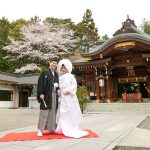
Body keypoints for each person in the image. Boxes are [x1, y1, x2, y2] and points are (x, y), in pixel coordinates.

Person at [55, 59, 89, 138]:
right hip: (62, 97)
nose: (63, 69)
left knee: (69, 112)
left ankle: (70, 128)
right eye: (62, 68)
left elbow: (74, 85)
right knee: (62, 112)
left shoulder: (71, 76)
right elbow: (59, 88)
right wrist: (58, 92)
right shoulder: (60, 77)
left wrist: (69, 91)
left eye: (64, 68)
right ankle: (61, 128)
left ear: (67, 68)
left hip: (69, 97)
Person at [36, 58, 59, 136]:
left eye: (55, 63)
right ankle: (40, 130)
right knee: (44, 112)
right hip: (46, 95)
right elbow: (40, 83)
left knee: (53, 112)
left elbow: (57, 85)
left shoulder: (56, 74)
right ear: (49, 63)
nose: (54, 65)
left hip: (54, 94)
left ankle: (52, 129)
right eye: (53, 63)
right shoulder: (44, 73)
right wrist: (41, 93)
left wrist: (58, 90)